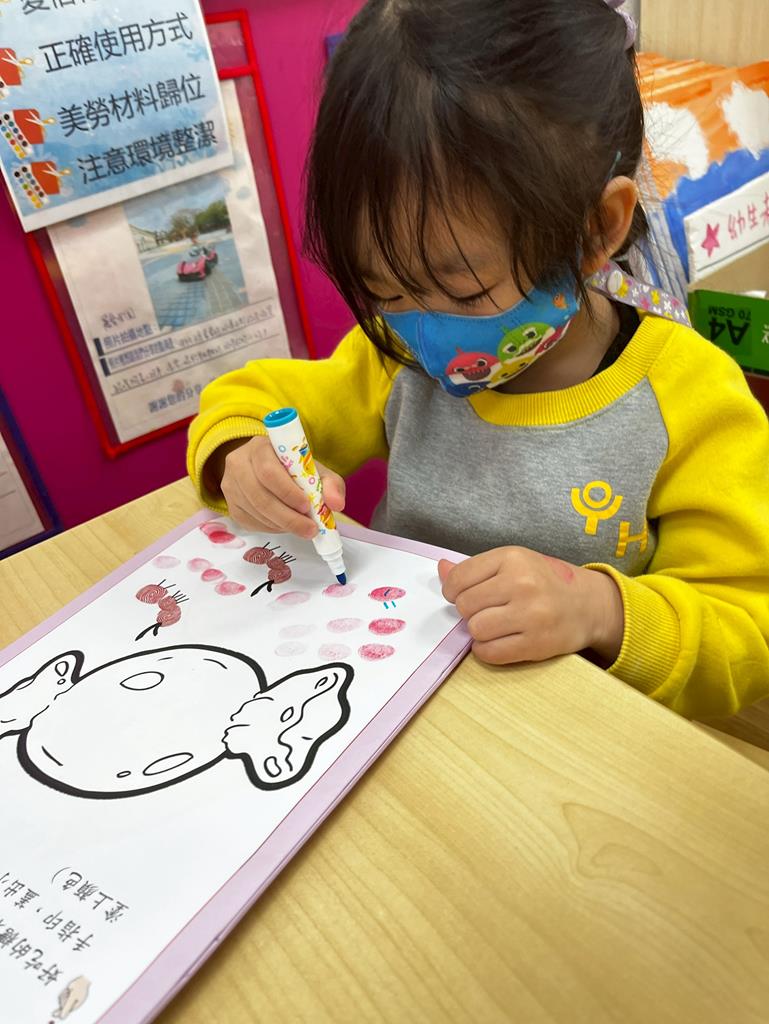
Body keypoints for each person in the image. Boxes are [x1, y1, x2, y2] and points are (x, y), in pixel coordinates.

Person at [187, 0, 769, 719]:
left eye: (462, 289)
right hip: (401, 709)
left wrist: (599, 610)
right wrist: (241, 457)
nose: (421, 330)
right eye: (383, 287)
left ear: (596, 229)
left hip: (577, 740)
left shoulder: (690, 398)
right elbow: (256, 400)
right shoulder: (395, 355)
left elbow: (746, 637)